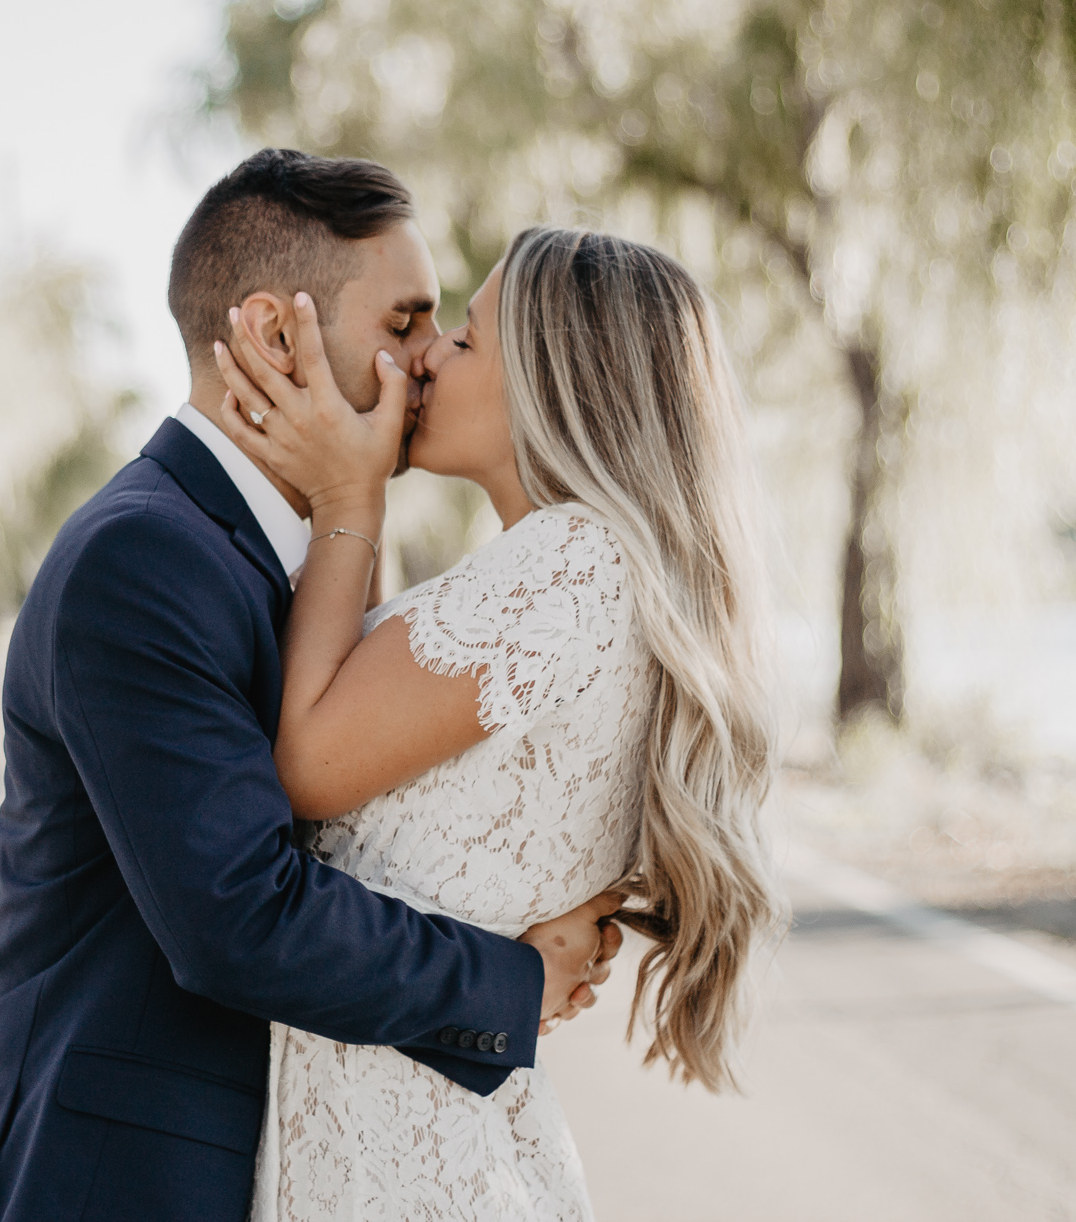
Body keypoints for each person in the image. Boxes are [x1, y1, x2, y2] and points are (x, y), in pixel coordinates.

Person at [0, 152, 624, 1222]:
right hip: (111, 1184)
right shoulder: (143, 559)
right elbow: (237, 917)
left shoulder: (273, 555)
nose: (426, 359)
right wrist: (512, 983)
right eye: (400, 326)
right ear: (270, 336)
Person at [213, 225, 786, 1220]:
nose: (425, 355)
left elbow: (303, 762)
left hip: (400, 1168)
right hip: (431, 1146)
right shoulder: (599, 575)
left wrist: (345, 494)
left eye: (466, 341)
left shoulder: (565, 566)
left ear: (559, 385)